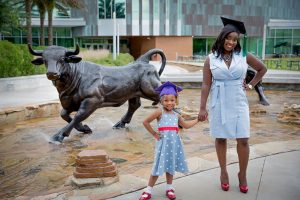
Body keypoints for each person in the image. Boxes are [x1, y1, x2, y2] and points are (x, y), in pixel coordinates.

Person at [198, 17, 267, 194]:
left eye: (235, 39)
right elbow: (206, 84)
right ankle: (223, 172)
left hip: (238, 100)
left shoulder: (243, 55)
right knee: (220, 138)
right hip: (219, 100)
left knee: (243, 139)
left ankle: (242, 174)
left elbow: (262, 69)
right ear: (222, 38)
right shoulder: (211, 59)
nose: (231, 42)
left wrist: (251, 85)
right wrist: (202, 107)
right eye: (228, 38)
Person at [139, 81, 199, 200]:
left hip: (174, 145)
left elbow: (186, 125)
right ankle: (148, 189)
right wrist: (154, 133)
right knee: (157, 166)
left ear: (175, 100)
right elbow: (145, 122)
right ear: (161, 101)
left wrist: (198, 119)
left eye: (172, 100)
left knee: (170, 165)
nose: (169, 103)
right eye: (166, 100)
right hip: (163, 144)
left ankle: (169, 188)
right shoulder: (159, 112)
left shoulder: (176, 115)